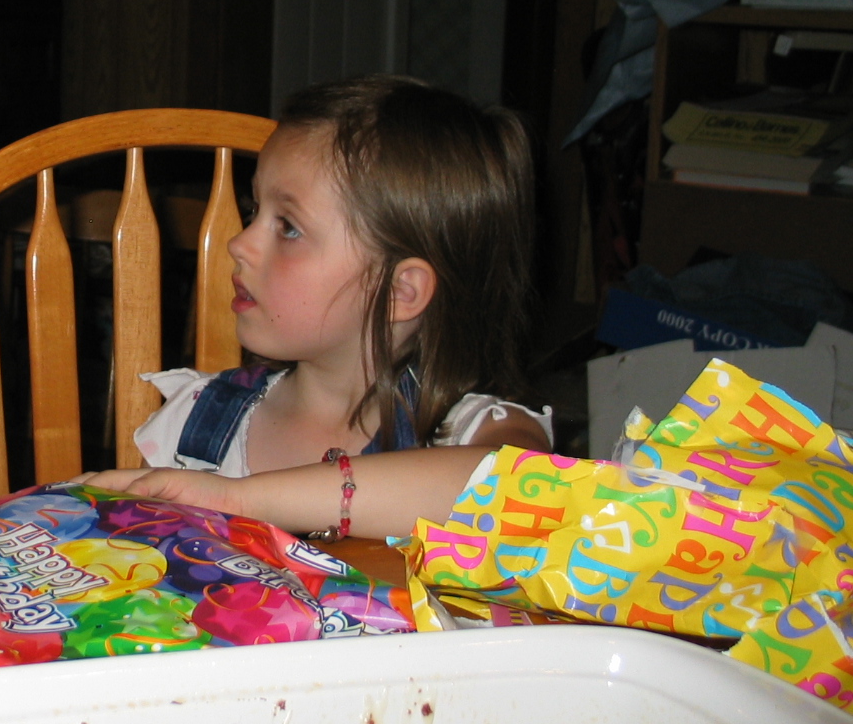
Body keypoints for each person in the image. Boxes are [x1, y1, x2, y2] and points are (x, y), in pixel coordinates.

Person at [81, 76, 551, 540]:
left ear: (398, 292)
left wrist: (238, 501)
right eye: (254, 210)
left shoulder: (470, 433)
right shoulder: (196, 425)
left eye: (288, 227)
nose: (239, 243)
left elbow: (526, 493)